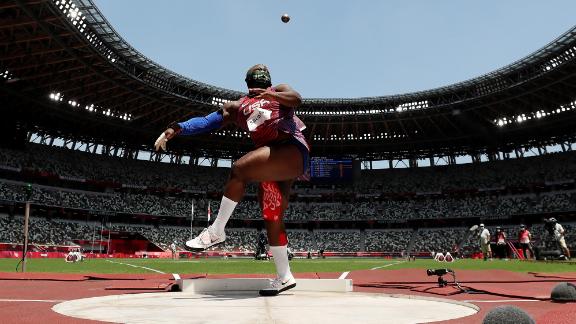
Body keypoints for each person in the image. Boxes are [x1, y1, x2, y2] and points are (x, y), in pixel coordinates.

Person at [154, 64, 309, 296]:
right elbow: (206, 121)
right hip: (273, 161)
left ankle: (216, 231)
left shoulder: (280, 90)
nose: (261, 68)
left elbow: (296, 99)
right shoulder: (237, 106)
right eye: (257, 72)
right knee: (272, 215)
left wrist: (271, 94)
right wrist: (175, 129)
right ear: (247, 81)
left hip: (291, 149)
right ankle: (285, 276)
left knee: (239, 169)